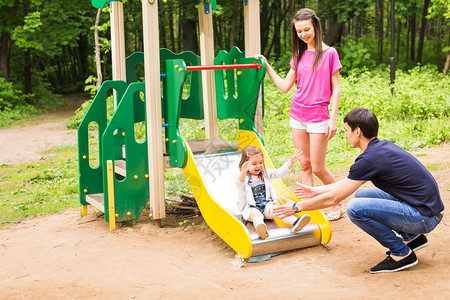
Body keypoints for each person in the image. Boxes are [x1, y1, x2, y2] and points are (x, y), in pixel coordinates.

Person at [273, 107, 444, 273]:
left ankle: (402, 254)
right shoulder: (379, 148)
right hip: (428, 210)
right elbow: (348, 183)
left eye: (347, 130)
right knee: (362, 194)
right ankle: (412, 238)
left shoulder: (369, 159)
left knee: (355, 208)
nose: (345, 135)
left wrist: (296, 207)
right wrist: (316, 191)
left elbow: (334, 199)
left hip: (423, 217)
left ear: (358, 131)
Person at [255, 8, 343, 221]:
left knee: (319, 167)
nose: (303, 34)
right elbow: (286, 86)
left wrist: (333, 118)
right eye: (299, 31)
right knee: (304, 164)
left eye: (307, 29)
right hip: (297, 116)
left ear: (316, 27)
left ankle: (337, 203)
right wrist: (267, 67)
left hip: (319, 117)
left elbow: (337, 88)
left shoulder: (330, 53)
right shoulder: (298, 55)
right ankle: (309, 209)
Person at [236, 145, 311, 240]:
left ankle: (296, 222)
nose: (258, 166)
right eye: (254, 164)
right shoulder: (244, 178)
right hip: (251, 208)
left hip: (267, 206)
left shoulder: (265, 173)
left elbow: (277, 173)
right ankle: (261, 228)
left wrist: (290, 162)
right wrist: (243, 171)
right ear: (245, 164)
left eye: (261, 162)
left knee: (279, 210)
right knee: (256, 215)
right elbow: (239, 182)